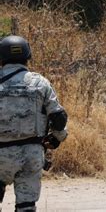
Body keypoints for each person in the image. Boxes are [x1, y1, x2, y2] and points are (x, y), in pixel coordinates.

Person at [0, 35, 68, 211]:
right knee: (26, 206)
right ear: (27, 56)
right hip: (31, 155)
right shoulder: (41, 83)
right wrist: (58, 138)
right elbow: (58, 117)